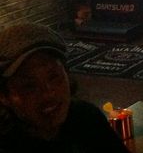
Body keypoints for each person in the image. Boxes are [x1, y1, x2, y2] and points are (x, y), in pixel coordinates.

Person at [0, 22, 130, 152]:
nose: (48, 93)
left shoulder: (86, 118)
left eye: (54, 77)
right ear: (4, 96)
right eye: (29, 86)